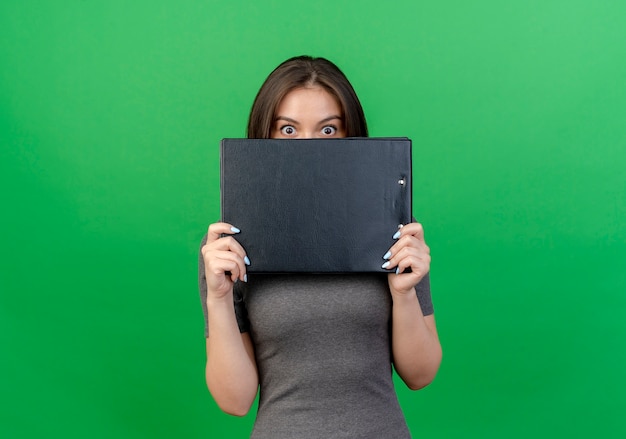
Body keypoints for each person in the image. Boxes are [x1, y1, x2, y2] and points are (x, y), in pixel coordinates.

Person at [199, 55, 442, 438]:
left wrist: (404, 294)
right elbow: (235, 400)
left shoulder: (390, 226)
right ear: (265, 135)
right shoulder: (230, 244)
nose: (309, 146)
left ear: (351, 136)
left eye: (328, 130)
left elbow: (421, 374)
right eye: (289, 130)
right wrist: (218, 299)